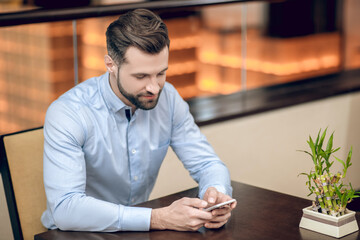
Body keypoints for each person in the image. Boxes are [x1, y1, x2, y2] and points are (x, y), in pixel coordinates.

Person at [41, 8, 236, 232]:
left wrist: (215, 196)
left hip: (138, 231)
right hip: (77, 234)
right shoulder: (68, 113)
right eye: (141, 76)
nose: (154, 87)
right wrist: (158, 218)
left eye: (161, 73)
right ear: (111, 65)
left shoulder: (168, 98)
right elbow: (66, 209)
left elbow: (207, 164)